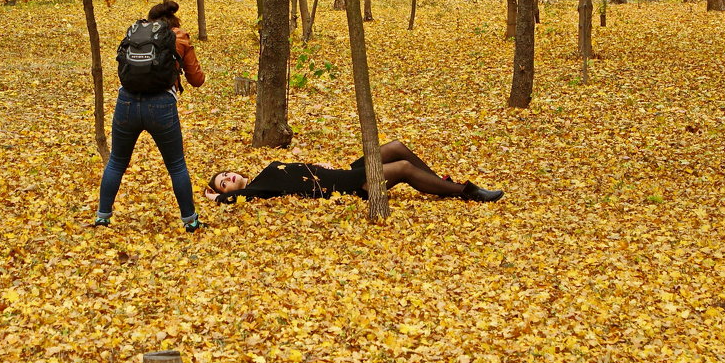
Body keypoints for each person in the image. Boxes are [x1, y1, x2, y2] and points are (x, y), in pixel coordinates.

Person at [95, 1, 205, 231]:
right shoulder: (180, 37)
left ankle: (102, 217)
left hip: (126, 101)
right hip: (162, 105)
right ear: (174, 21)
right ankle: (190, 221)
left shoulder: (138, 35)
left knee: (116, 161)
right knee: (176, 165)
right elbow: (197, 80)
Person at [204, 140, 503, 204]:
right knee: (403, 169)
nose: (229, 180)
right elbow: (234, 201)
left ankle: (439, 183)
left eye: (226, 175)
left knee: (395, 147)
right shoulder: (257, 189)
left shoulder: (263, 172)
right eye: (224, 185)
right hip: (347, 186)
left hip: (343, 172)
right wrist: (214, 199)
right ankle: (466, 192)